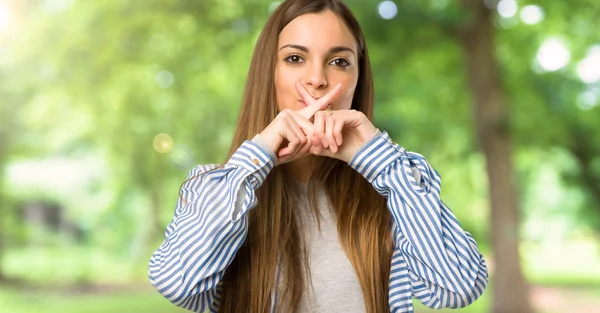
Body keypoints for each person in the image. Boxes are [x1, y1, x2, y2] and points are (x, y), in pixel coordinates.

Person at [148, 0, 488, 312]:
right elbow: (179, 284)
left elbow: (455, 288)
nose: (317, 80)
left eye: (339, 61)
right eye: (295, 58)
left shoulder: (395, 188)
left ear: (358, 79)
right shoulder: (219, 188)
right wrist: (255, 159)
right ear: (269, 73)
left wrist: (383, 161)